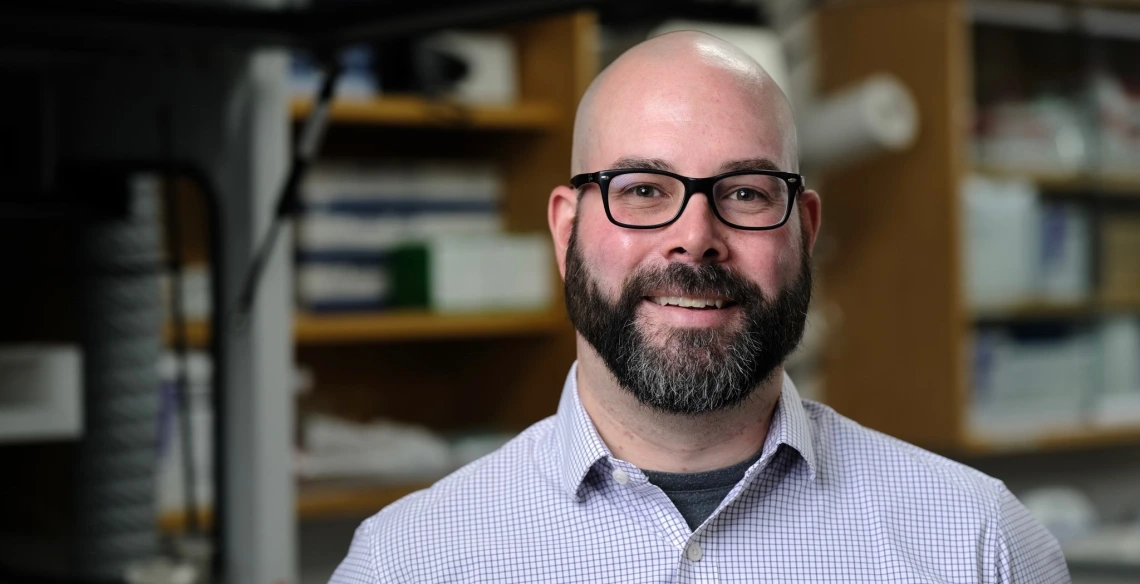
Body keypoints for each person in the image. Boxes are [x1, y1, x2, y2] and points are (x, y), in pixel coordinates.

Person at [329, 31, 1069, 583]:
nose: (695, 239)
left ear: (804, 232)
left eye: (745, 192)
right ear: (566, 231)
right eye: (644, 190)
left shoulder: (980, 545)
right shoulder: (409, 562)